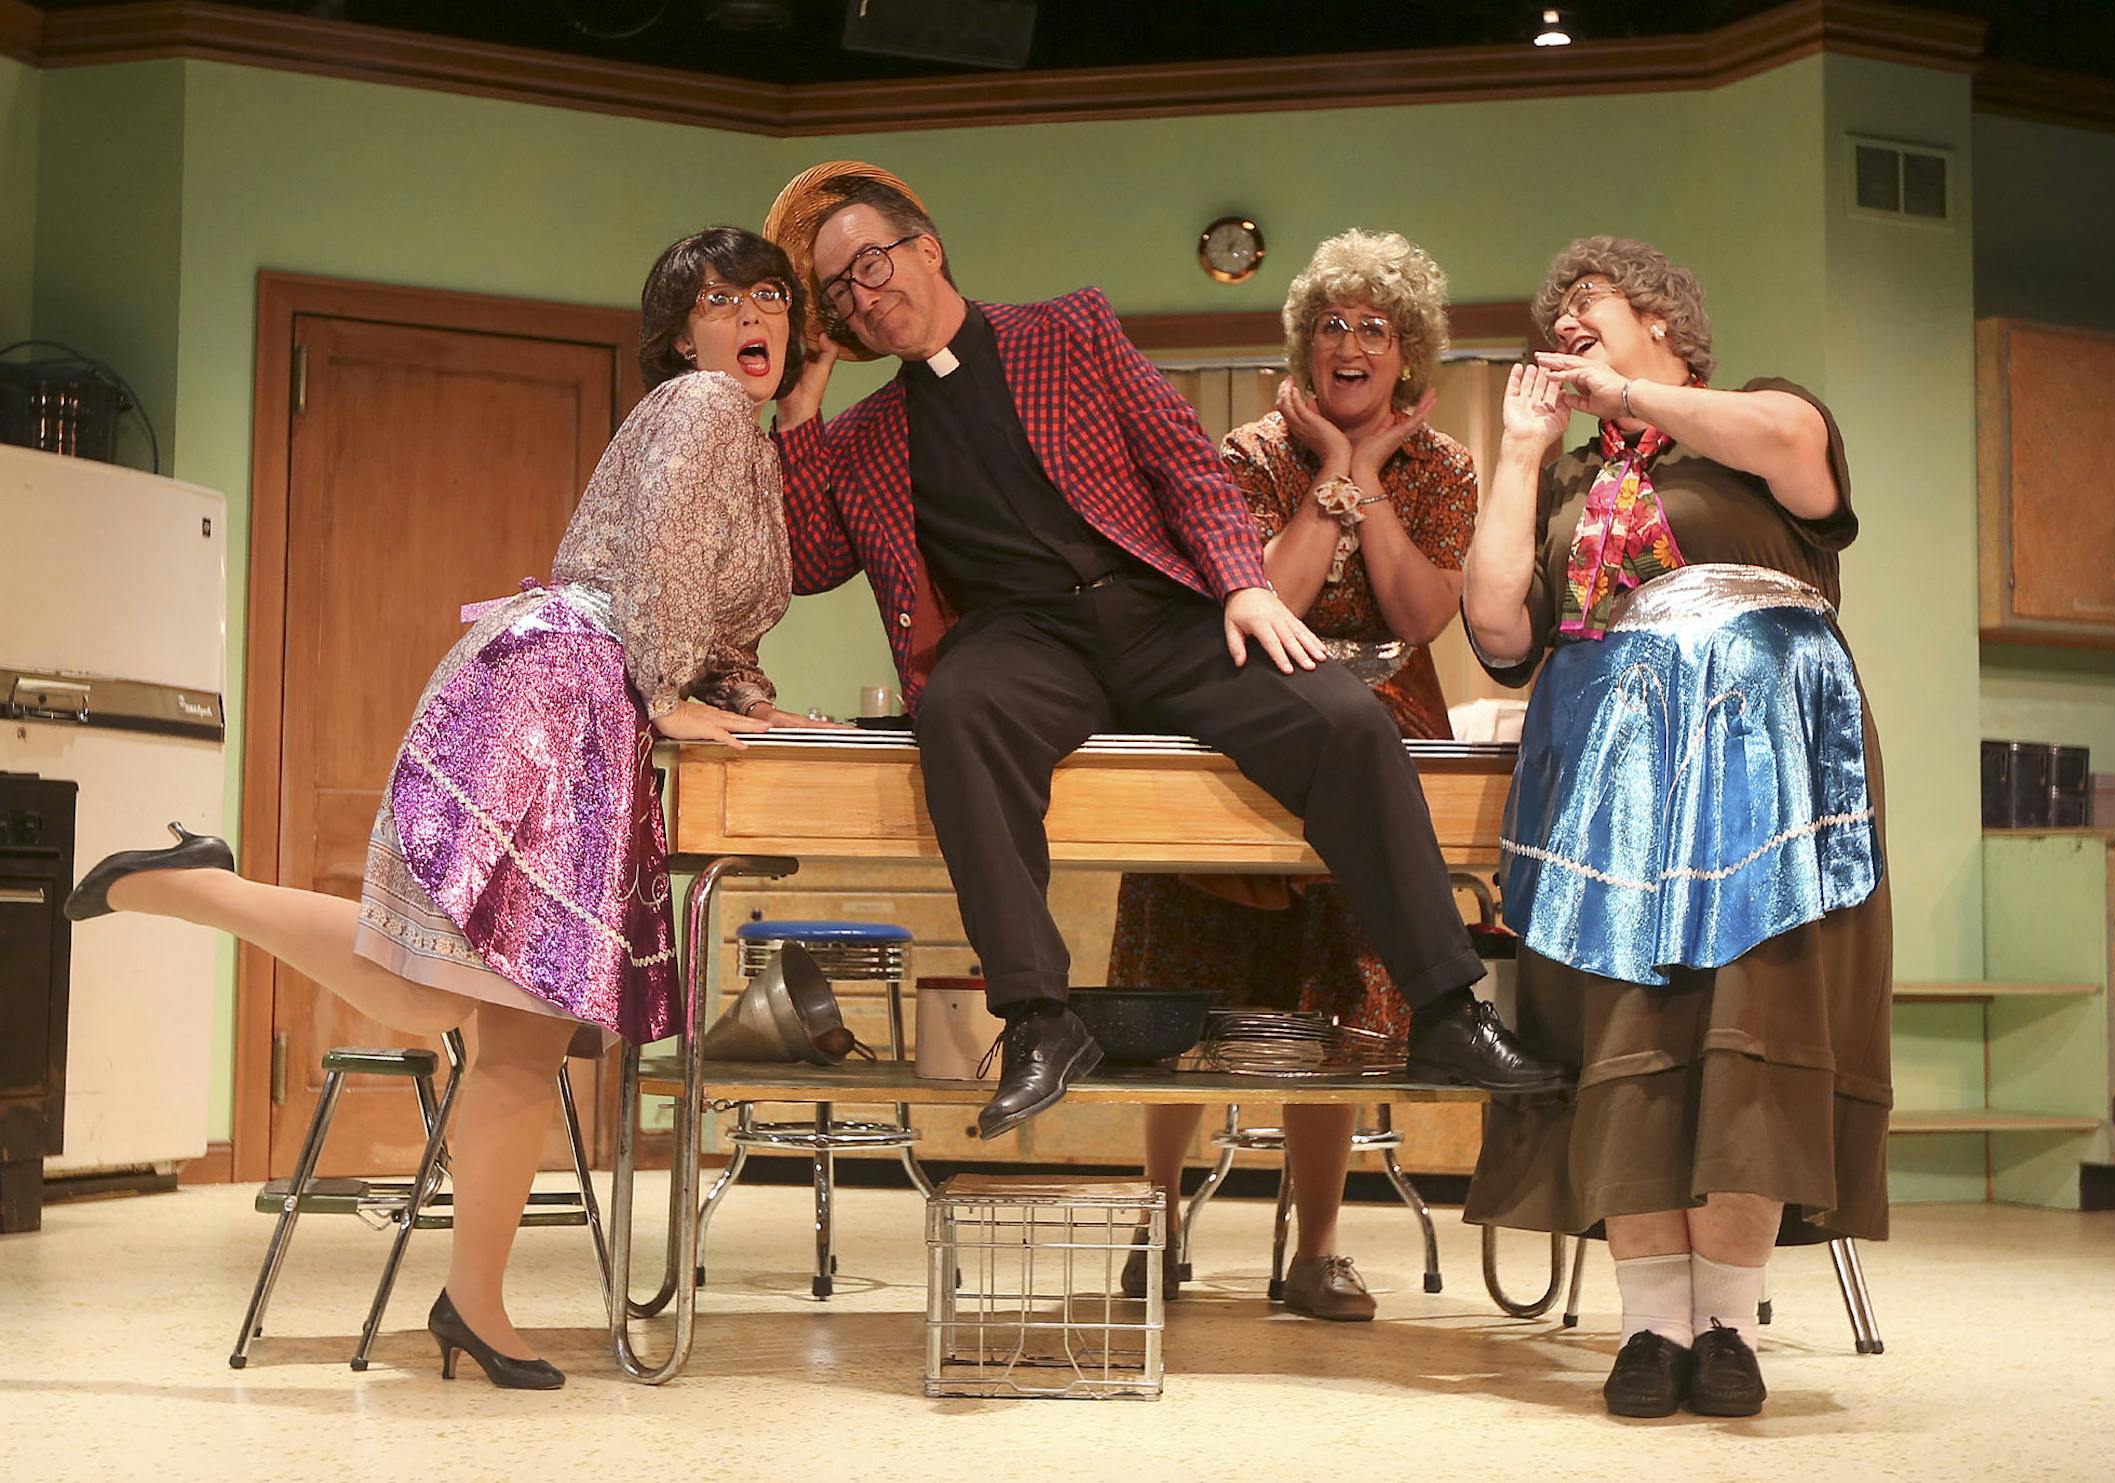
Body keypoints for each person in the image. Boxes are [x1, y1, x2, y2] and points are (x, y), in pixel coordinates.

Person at [64, 225, 814, 1390]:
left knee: (489, 1017)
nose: (749, 315)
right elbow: (660, 562)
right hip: (563, 694)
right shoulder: (702, 407)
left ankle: (469, 1297)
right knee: (505, 1019)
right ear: (682, 336)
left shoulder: (745, 437)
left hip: (575, 697)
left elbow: (721, 600)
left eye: (766, 295)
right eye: (721, 301)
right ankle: (470, 1299)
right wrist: (671, 698)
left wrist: (735, 697)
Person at [762, 163, 1564, 1145]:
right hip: (1024, 642)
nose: (863, 293)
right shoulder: (869, 432)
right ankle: (1038, 1021)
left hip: (1165, 614)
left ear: (926, 248)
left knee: (1348, 718)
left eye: (873, 262)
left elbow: (1182, 456)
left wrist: (1243, 580)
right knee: (958, 709)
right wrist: (800, 407)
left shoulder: (1068, 330)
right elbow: (803, 560)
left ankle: (1449, 1012)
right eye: (840, 288)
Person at [1459, 236, 1891, 1420]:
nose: (1565, 325)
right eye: (1556, 318)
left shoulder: (1761, 421)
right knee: (1627, 1033)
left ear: (1663, 321)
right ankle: (1650, 1323)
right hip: (1613, 784)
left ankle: (1727, 1323)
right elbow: (1498, 626)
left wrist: (1636, 401)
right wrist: (1523, 452)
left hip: (1766, 777)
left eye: (1586, 306)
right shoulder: (1565, 485)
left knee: (1754, 1018)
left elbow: (1801, 454)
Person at [1111, 229, 1478, 1320]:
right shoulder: (1243, 458)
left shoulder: (1444, 467)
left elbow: (1416, 619)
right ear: (1303, 347)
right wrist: (1331, 475)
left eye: (1376, 327)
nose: (1352, 345)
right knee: (1185, 988)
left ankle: (1317, 1249)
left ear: (1408, 351)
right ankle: (1155, 1224)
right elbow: (1267, 600)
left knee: (1333, 999)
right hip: (1248, 724)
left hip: (1379, 744)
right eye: (1332, 325)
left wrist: (1367, 475)